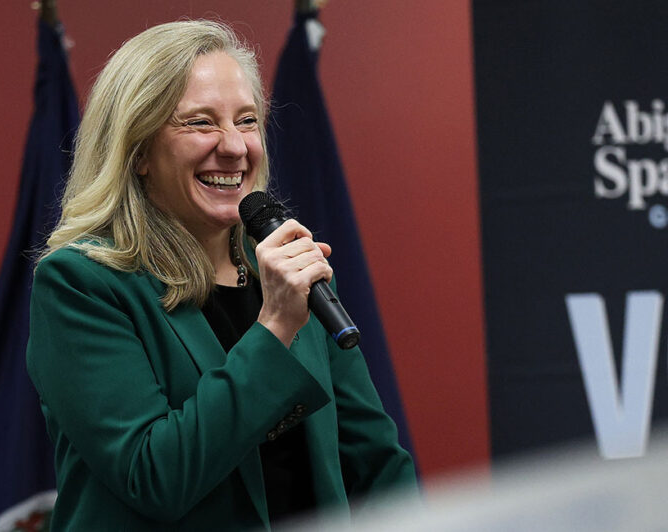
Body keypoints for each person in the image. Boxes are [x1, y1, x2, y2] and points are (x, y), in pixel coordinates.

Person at [26, 19, 416, 531]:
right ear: (138, 151)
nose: (234, 147)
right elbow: (156, 477)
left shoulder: (289, 271)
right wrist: (275, 326)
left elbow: (375, 463)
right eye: (200, 122)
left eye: (247, 120)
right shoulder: (81, 284)